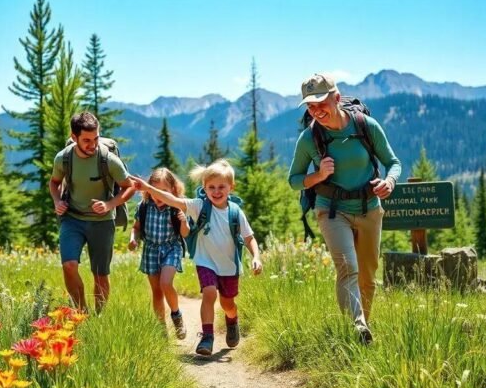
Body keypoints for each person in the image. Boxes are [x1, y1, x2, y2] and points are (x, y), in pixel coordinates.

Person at [288, 73, 401, 344]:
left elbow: (393, 162)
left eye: (321, 104)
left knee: (368, 275)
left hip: (369, 208)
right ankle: (357, 327)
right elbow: (294, 180)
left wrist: (389, 181)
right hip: (332, 210)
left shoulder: (366, 126)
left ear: (336, 98)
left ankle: (363, 333)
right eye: (310, 106)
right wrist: (318, 176)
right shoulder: (309, 138)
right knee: (348, 267)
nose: (316, 111)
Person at [131, 159, 262, 356]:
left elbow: (249, 237)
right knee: (209, 293)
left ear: (231, 188)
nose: (216, 191)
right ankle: (207, 337)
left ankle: (232, 319)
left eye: (221, 187)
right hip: (205, 262)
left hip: (229, 266)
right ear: (204, 187)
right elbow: (171, 199)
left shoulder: (236, 212)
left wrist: (256, 257)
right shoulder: (198, 206)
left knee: (227, 304)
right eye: (211, 187)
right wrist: (148, 187)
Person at [49, 112, 136, 313]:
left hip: (102, 221)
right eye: (86, 140)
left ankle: (99, 317)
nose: (93, 144)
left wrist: (109, 204)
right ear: (74, 137)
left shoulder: (108, 159)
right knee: (69, 266)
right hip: (72, 218)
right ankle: (82, 313)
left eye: (96, 138)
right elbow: (54, 183)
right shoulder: (63, 159)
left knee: (100, 274)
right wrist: (57, 200)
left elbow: (129, 187)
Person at [128, 168, 190, 339]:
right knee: (156, 291)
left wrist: (184, 222)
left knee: (165, 283)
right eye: (156, 191)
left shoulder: (177, 206)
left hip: (171, 247)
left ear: (173, 191)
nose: (159, 196)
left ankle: (176, 315)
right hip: (151, 250)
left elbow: (185, 234)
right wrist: (133, 239)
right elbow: (136, 228)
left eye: (164, 191)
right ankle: (161, 328)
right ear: (149, 190)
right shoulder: (144, 207)